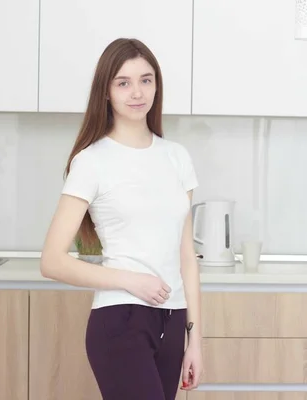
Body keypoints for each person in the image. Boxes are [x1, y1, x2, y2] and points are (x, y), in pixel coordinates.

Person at [40, 38, 203, 400]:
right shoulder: (92, 161)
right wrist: (131, 280)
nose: (136, 92)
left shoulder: (177, 158)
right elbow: (51, 261)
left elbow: (186, 257)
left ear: (157, 86)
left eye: (146, 80)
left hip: (173, 319)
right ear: (106, 92)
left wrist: (195, 339)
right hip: (121, 319)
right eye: (123, 82)